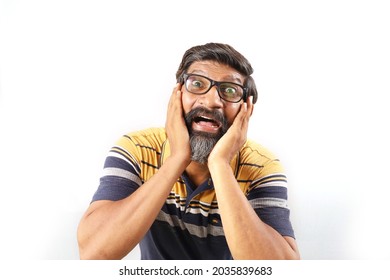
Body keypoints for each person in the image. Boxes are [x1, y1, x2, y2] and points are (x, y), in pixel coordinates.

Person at [77, 42, 300, 260]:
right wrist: (177, 159)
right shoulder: (137, 149)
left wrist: (220, 165)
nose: (212, 101)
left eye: (230, 90)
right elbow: (94, 254)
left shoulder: (261, 166)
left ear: (246, 109)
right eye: (197, 84)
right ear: (177, 94)